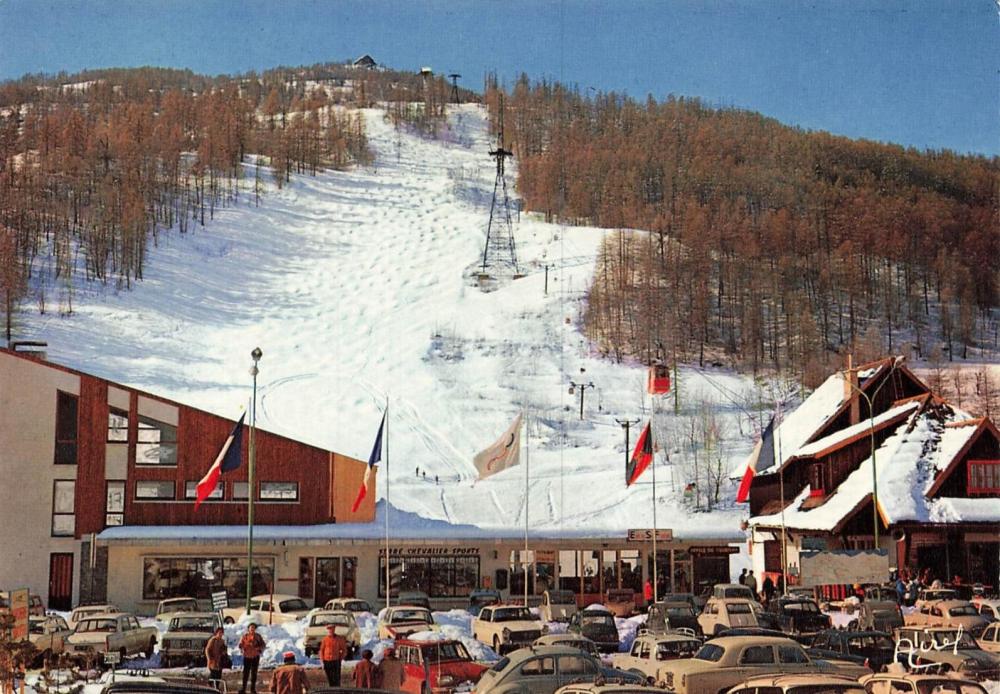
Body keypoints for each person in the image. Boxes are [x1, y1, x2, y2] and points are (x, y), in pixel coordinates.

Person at [239, 623, 266, 694]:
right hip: (247, 656)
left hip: (255, 657)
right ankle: (243, 688)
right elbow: (240, 644)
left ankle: (252, 689)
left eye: (253, 627)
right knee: (245, 673)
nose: (252, 629)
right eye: (251, 627)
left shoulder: (258, 636)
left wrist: (259, 648)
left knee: (254, 673)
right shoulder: (245, 636)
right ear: (248, 629)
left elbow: (263, 645)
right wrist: (242, 647)